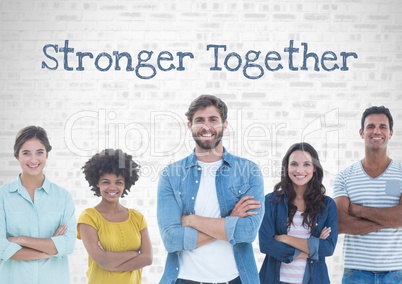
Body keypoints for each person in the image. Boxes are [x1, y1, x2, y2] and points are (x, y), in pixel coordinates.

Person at [157, 94, 264, 284]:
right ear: (189, 125)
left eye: (213, 120)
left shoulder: (248, 171)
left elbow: (247, 232)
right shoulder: (171, 175)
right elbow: (171, 241)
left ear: (225, 124)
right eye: (199, 120)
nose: (206, 127)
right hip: (184, 279)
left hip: (236, 279)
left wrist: (191, 221)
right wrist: (231, 223)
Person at [333, 106, 402, 284]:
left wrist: (358, 210)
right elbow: (340, 223)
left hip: (396, 272)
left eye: (383, 127)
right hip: (356, 273)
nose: (376, 131)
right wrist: (390, 219)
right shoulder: (344, 176)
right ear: (362, 133)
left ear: (391, 133)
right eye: (371, 126)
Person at [0, 125, 76, 284]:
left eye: (39, 152)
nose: (33, 159)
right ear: (16, 156)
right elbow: (2, 248)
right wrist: (50, 250)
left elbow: (68, 245)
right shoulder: (2, 196)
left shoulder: (63, 197)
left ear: (47, 154)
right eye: (26, 153)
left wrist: (20, 239)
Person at [259, 142, 338, 284]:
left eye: (306, 164)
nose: (300, 170)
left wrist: (285, 238)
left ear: (314, 168)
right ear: (286, 168)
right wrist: (311, 250)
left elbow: (328, 248)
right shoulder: (271, 202)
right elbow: (266, 244)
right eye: (294, 164)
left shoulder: (327, 205)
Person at [77, 148, 152, 284]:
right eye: (106, 182)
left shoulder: (137, 218)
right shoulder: (89, 218)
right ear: (97, 183)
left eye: (118, 182)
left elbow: (148, 258)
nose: (112, 187)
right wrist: (135, 254)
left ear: (125, 184)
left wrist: (111, 264)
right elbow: (102, 260)